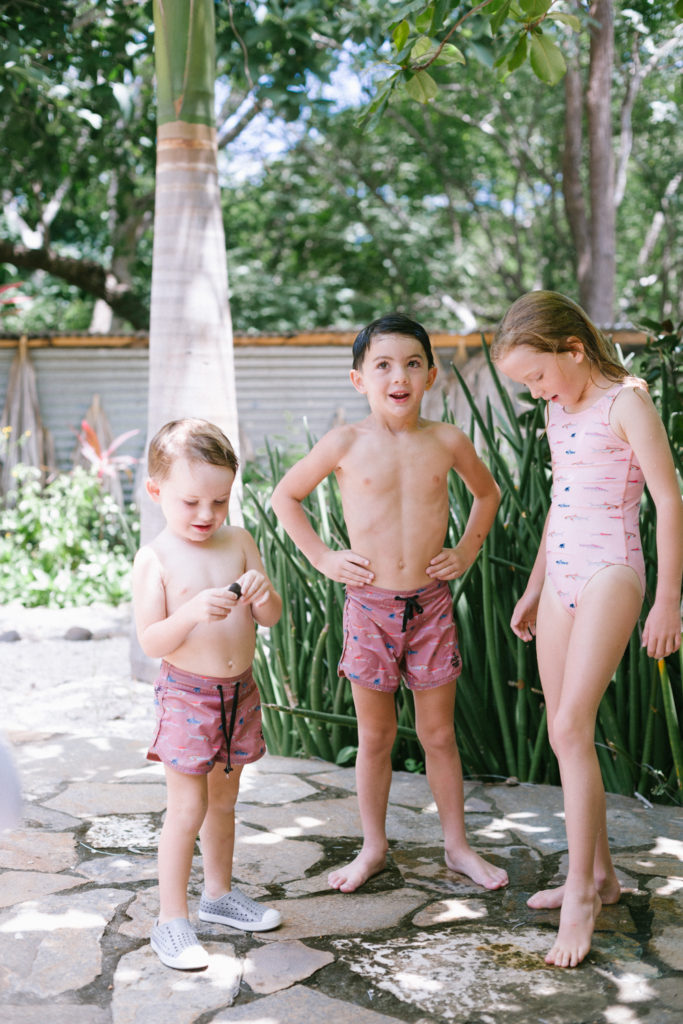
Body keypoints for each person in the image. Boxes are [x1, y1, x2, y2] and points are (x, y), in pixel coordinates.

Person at [271, 313, 509, 896]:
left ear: (430, 375)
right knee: (375, 737)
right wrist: (323, 557)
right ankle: (373, 847)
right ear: (359, 379)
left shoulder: (447, 441)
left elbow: (488, 493)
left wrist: (467, 551)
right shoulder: (345, 443)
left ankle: (457, 845)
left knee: (439, 735)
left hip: (430, 605)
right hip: (369, 607)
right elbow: (285, 496)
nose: (398, 376)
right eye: (382, 365)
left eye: (411, 364)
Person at [491, 290, 683, 969]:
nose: (535, 391)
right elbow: (559, 499)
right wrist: (534, 585)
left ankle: (579, 894)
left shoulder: (625, 402)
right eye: (525, 384)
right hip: (562, 577)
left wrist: (669, 600)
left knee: (572, 727)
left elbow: (668, 498)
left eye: (537, 375)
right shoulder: (557, 411)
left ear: (572, 348)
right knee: (562, 728)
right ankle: (600, 876)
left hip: (610, 570)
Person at [133, 419, 283, 971]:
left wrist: (263, 594)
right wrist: (191, 612)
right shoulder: (156, 558)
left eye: (219, 501)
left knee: (223, 801)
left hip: (238, 693)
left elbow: (270, 616)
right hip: (187, 696)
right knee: (188, 806)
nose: (206, 514)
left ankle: (218, 895)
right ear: (156, 491)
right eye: (191, 501)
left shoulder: (238, 541)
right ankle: (170, 920)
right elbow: (152, 641)